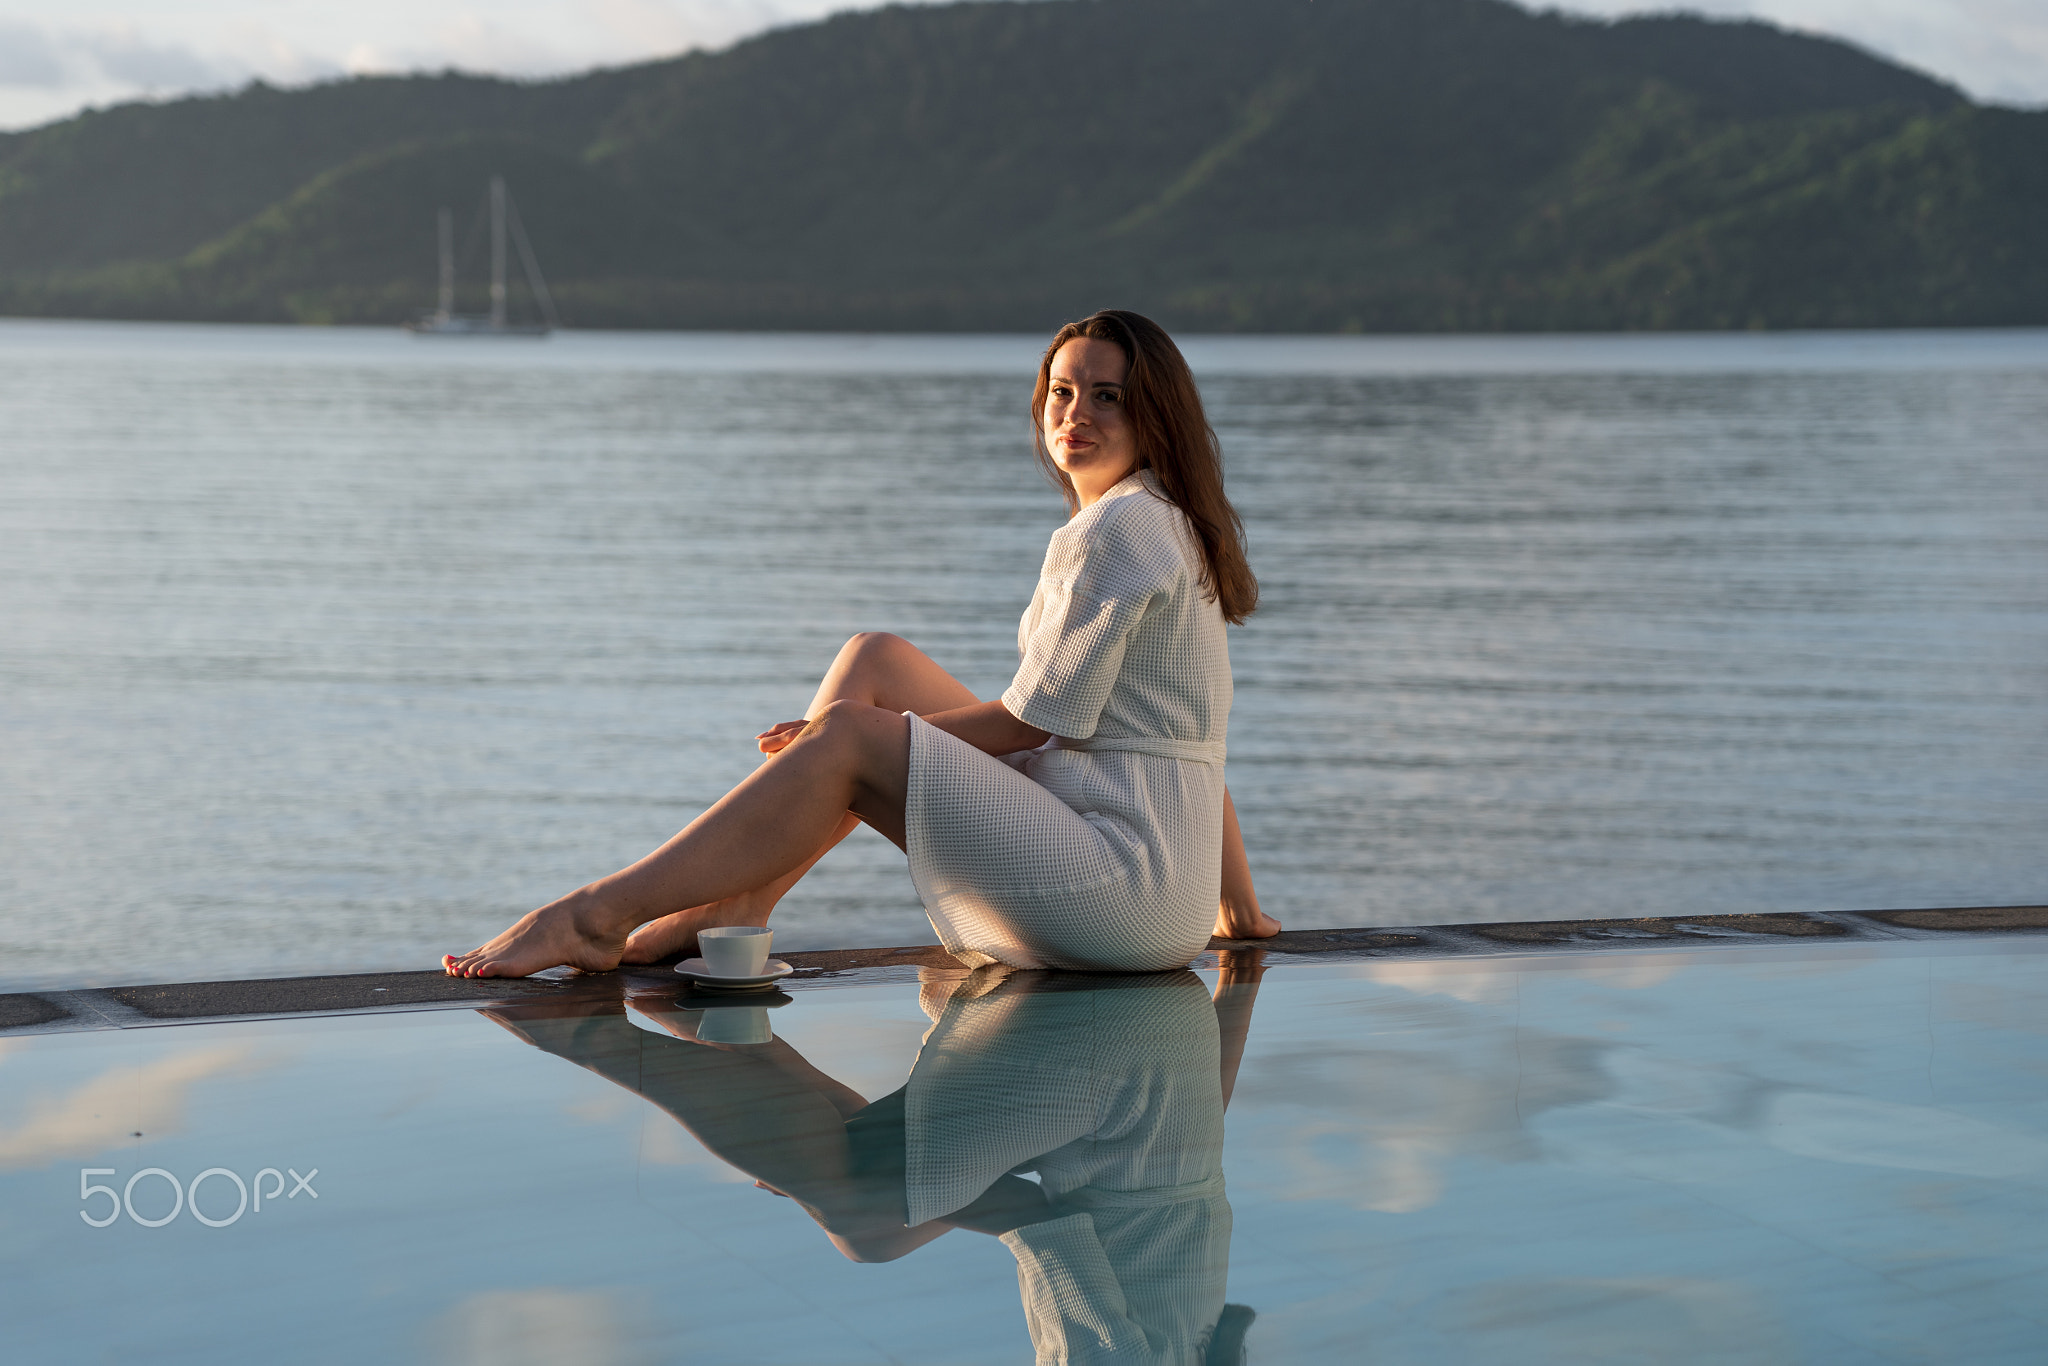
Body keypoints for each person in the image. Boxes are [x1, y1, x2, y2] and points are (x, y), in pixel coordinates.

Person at [444, 308, 1279, 981]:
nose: (1075, 415)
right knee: (874, 660)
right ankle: (736, 908)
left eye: (1108, 397)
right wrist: (1232, 910)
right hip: (1152, 885)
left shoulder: (1124, 528)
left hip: (1120, 893)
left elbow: (1033, 721)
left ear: (1153, 414)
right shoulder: (1154, 521)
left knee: (848, 731)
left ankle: (590, 916)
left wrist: (836, 745)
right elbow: (1194, 749)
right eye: (1063, 392)